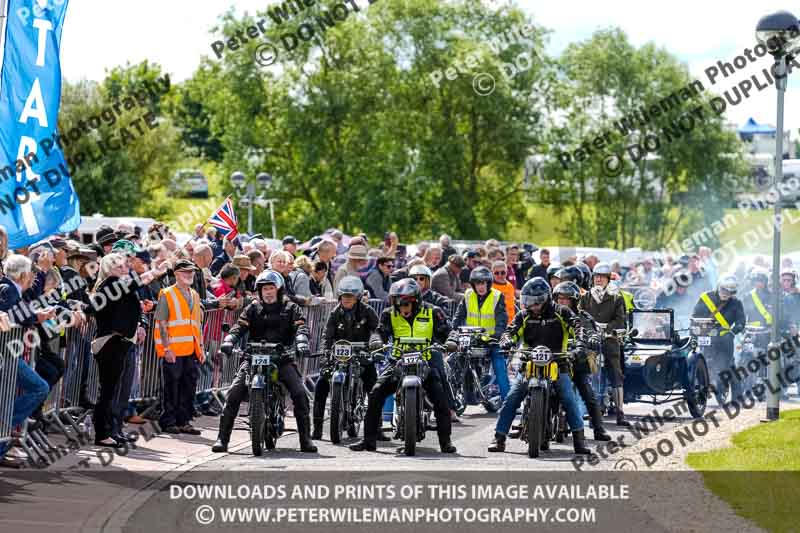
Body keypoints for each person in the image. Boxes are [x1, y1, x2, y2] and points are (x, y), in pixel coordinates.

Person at [213, 270, 316, 453]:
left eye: (271, 288)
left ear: (278, 289)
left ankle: (305, 439)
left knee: (299, 393)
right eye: (264, 289)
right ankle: (222, 439)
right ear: (259, 291)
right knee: (234, 393)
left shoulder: (290, 307)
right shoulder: (253, 307)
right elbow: (239, 326)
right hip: (253, 358)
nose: (268, 292)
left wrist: (301, 341)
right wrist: (229, 340)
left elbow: (301, 326)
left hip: (281, 358)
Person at [349, 279, 456, 453]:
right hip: (398, 362)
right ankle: (368, 441)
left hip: (425, 363)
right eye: (398, 303)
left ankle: (446, 442)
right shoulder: (388, 314)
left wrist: (451, 340)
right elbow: (379, 332)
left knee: (441, 400)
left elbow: (449, 331)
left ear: (416, 301)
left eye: (406, 303)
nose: (402, 307)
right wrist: (376, 340)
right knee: (376, 393)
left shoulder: (433, 312)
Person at [489, 277, 591, 455]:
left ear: (545, 300)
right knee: (512, 397)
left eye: (535, 303)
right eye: (527, 302)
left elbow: (578, 326)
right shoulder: (523, 315)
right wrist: (506, 341)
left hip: (559, 363)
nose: (531, 307)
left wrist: (582, 344)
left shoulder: (562, 312)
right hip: (529, 363)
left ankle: (579, 440)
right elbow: (510, 331)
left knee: (568, 397)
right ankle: (499, 438)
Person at [311, 276, 381, 440]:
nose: (346, 300)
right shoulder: (335, 313)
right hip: (339, 356)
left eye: (350, 297)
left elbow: (378, 331)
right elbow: (326, 336)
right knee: (321, 384)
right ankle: (317, 428)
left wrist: (374, 345)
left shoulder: (367, 311)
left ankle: (377, 428)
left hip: (361, 354)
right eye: (344, 297)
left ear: (357, 298)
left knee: (375, 386)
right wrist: (325, 353)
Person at [552, 281, 611, 441]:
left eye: (567, 299)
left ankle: (598, 429)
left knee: (588, 393)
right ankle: (528, 422)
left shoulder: (582, 317)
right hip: (554, 361)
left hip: (577, 360)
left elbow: (590, 331)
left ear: (574, 301)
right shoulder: (550, 316)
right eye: (560, 298)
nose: (563, 301)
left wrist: (592, 338)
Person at [153, 259, 205, 435]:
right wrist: (166, 348)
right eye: (185, 272)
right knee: (171, 387)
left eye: (191, 272)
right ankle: (168, 421)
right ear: (176, 274)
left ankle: (184, 421)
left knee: (189, 386)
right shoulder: (166, 294)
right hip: (173, 349)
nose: (189, 275)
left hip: (191, 349)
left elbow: (196, 324)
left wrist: (201, 348)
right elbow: (161, 323)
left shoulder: (195, 295)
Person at [578, 262, 630, 426]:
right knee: (592, 374)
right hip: (592, 342)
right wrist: (591, 330)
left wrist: (608, 328)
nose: (598, 279)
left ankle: (620, 413)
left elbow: (620, 319)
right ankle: (593, 411)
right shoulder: (586, 297)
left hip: (610, 340)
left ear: (608, 279)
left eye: (601, 277)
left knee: (616, 374)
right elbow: (581, 316)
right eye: (596, 277)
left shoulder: (616, 296)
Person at [450, 266, 510, 401]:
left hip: (490, 339)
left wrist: (497, 334)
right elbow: (459, 316)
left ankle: (509, 401)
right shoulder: (468, 295)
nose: (481, 286)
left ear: (488, 283)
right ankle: (453, 398)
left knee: (499, 365)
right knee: (455, 360)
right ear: (473, 284)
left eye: (483, 283)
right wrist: (453, 331)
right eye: (478, 283)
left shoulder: (496, 296)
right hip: (471, 339)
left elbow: (502, 318)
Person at [691, 275, 746, 406]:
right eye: (724, 290)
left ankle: (737, 398)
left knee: (727, 366)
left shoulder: (736, 303)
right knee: (692, 358)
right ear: (718, 286)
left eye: (730, 292)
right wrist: (695, 329)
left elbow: (741, 321)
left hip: (724, 339)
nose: (726, 294)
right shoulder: (705, 298)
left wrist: (733, 331)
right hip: (704, 335)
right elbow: (694, 315)